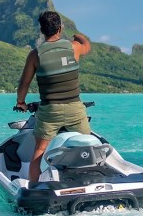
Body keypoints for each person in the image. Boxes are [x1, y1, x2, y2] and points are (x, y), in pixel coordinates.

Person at [15, 11, 92, 183]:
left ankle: (34, 188)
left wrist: (21, 102)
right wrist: (78, 36)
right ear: (59, 28)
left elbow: (24, 84)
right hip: (75, 109)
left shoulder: (35, 54)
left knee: (39, 151)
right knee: (87, 145)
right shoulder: (74, 47)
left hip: (50, 111)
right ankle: (86, 183)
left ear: (42, 31)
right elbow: (87, 45)